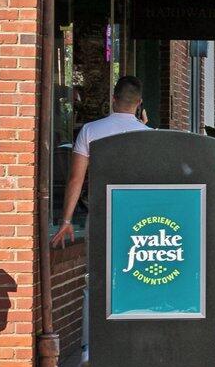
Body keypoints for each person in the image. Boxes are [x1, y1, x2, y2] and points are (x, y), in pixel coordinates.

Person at [51, 76, 151, 247]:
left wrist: (66, 220)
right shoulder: (149, 135)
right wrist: (143, 127)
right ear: (139, 102)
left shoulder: (90, 130)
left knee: (98, 268)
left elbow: (76, 178)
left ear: (113, 98)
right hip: (138, 212)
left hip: (100, 210)